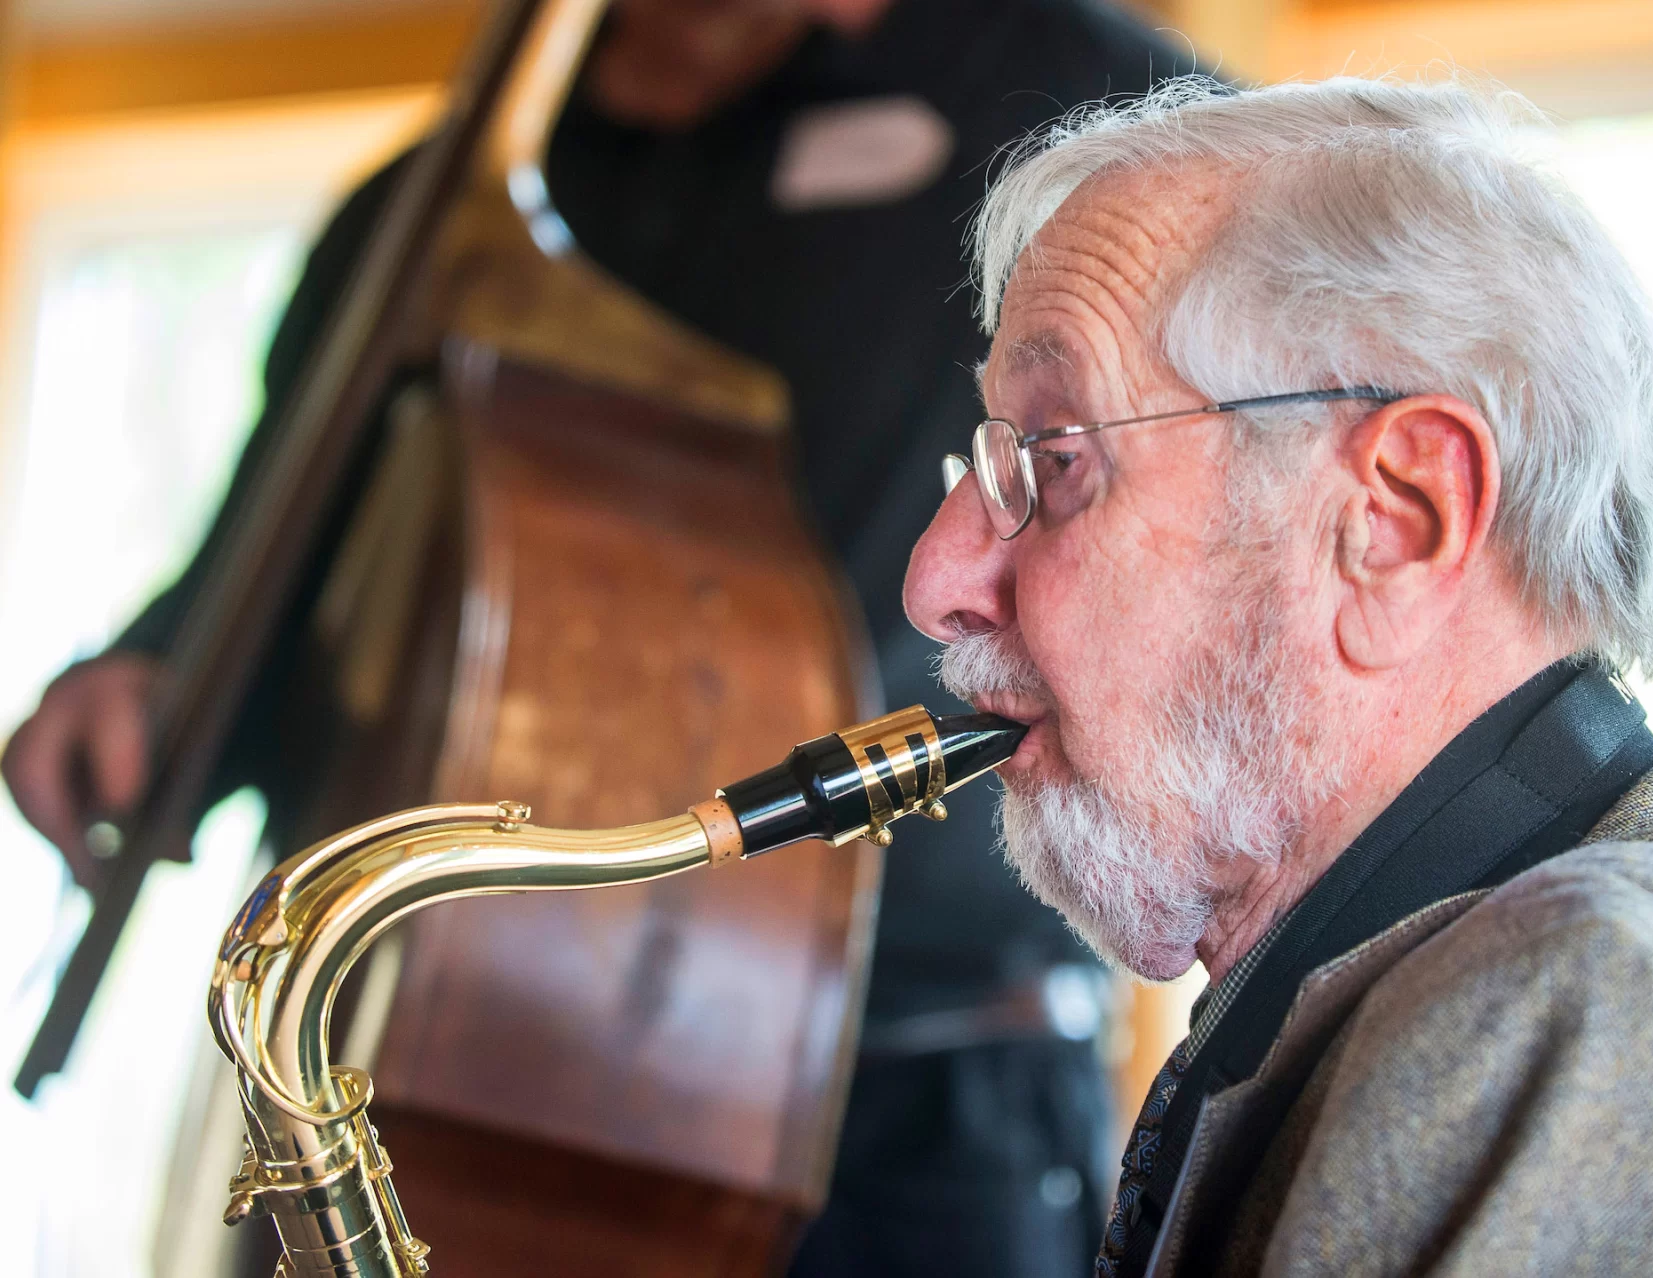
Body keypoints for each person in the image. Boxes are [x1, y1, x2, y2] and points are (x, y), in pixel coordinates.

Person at [1, 3, 1199, 1274]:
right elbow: (294, 578)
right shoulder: (427, 205)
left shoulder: (1093, 107)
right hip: (426, 1075)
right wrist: (159, 675)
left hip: (922, 1098)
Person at [905, 76, 1653, 1275]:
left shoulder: (1600, 1017)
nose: (937, 576)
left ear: (1394, 522)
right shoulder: (1594, 966)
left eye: (1056, 460)